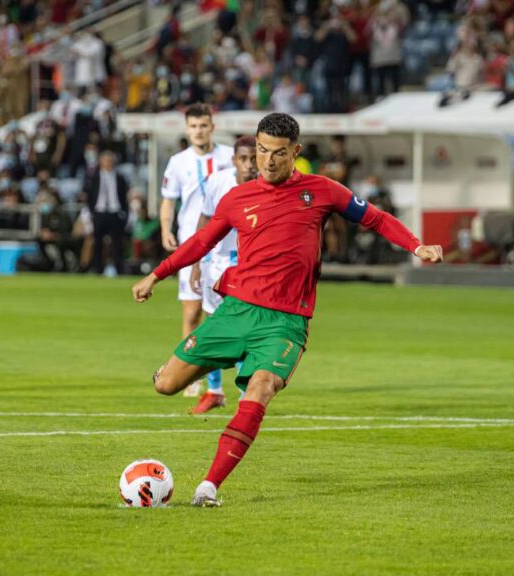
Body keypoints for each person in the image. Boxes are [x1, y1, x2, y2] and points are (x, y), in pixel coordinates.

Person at [131, 113, 443, 506]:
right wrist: (156, 275)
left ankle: (209, 487)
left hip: (284, 323)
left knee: (260, 390)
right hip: (235, 312)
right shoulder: (236, 199)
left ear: (295, 151)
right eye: (262, 150)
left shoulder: (322, 191)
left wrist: (417, 246)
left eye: (279, 153)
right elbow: (200, 243)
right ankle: (211, 360)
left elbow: (375, 218)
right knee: (166, 385)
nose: (268, 161)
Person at [159, 104, 234, 397]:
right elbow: (169, 200)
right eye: (193, 126)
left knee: (223, 315)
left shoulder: (230, 157)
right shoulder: (178, 162)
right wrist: (165, 228)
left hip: (225, 247)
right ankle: (192, 376)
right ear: (187, 129)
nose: (199, 131)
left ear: (212, 126)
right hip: (192, 245)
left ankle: (223, 385)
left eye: (203, 125)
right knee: (192, 315)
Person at [187, 135, 258, 415]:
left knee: (246, 332)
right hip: (216, 266)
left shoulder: (269, 186)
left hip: (251, 268)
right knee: (214, 327)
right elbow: (205, 221)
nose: (250, 164)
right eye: (243, 158)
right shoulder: (218, 182)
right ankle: (214, 391)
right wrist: (195, 262)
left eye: (254, 158)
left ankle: (245, 396)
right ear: (234, 160)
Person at [84, 150, 129, 275]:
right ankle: (98, 269)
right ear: (100, 161)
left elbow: (124, 197)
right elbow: (89, 196)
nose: (108, 163)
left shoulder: (120, 178)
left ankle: (118, 269)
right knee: (97, 243)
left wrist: (124, 214)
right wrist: (91, 213)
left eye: (110, 160)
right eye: (106, 160)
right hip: (99, 213)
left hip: (115, 213)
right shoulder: (93, 177)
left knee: (116, 244)